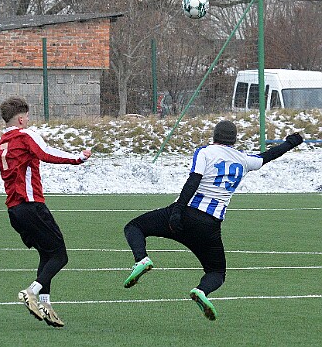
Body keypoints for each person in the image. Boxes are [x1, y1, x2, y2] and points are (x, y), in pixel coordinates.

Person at [123, 120, 303, 321]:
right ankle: (201, 291)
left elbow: (194, 180)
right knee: (217, 272)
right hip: (210, 224)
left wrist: (177, 211)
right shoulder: (243, 160)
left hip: (185, 213)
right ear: (234, 140)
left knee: (134, 227)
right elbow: (266, 157)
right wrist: (290, 143)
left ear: (214, 136)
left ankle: (141, 259)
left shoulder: (205, 152)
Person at [0, 96, 91, 328]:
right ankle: (31, 291)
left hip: (14, 210)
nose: (28, 120)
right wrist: (78, 158)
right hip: (31, 206)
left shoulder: (2, 143)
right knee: (60, 255)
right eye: (26, 116)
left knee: (46, 254)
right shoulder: (24, 135)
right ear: (20, 118)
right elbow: (46, 153)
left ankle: (46, 306)